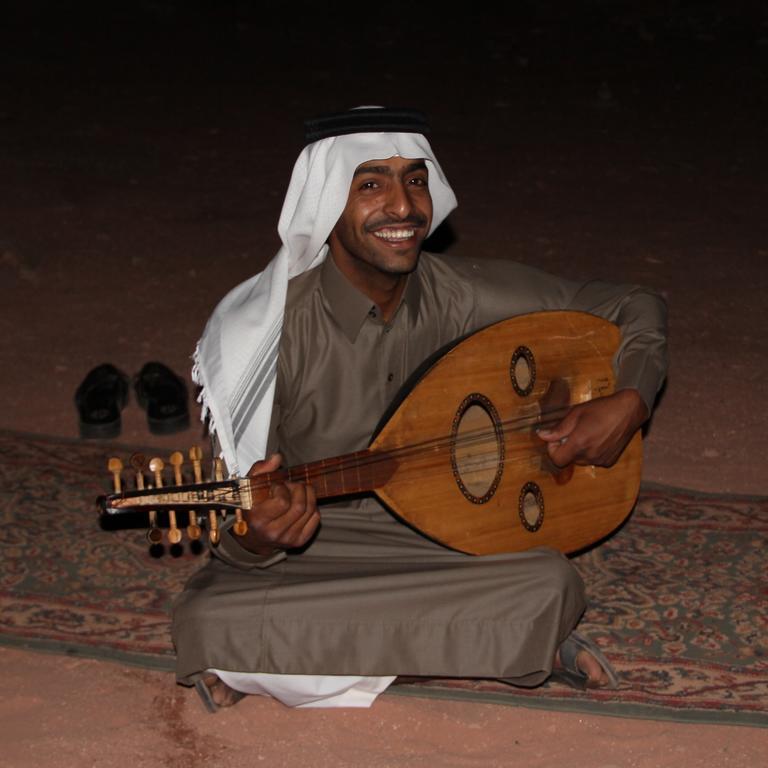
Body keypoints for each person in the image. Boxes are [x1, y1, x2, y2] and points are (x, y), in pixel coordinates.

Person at [173, 106, 667, 711]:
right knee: (211, 615)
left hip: (447, 535)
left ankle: (298, 662)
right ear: (326, 204)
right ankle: (490, 647)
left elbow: (632, 303)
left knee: (548, 581)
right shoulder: (266, 336)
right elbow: (233, 538)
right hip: (324, 544)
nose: (403, 207)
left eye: (414, 180)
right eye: (372, 184)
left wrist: (631, 400)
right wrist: (257, 536)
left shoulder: (459, 296)